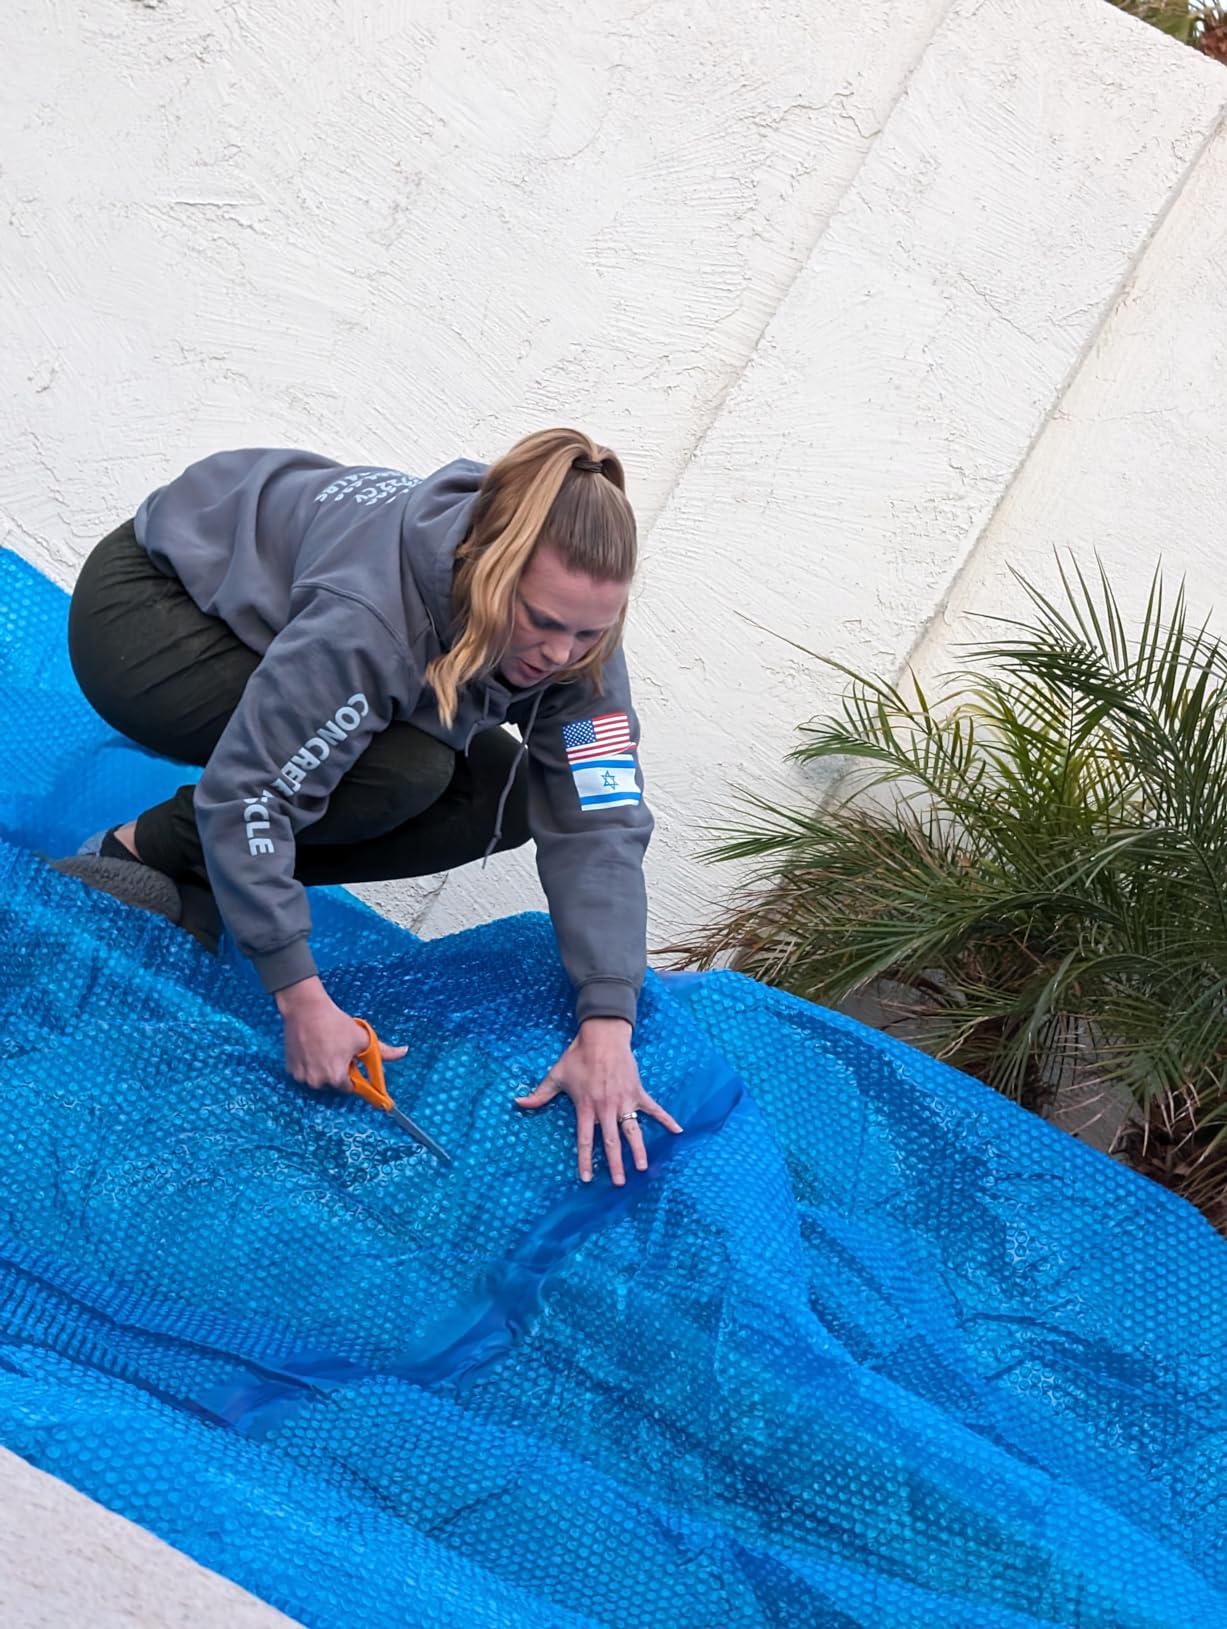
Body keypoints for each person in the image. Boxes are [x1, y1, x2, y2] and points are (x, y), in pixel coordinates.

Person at [55, 427, 682, 1184]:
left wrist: (607, 1022)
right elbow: (252, 791)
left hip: (299, 624)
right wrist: (301, 997)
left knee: (500, 794)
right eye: (541, 622)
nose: (559, 654)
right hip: (152, 611)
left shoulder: (575, 647)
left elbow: (598, 815)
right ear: (488, 570)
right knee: (405, 769)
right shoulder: (374, 618)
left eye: (586, 633)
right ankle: (137, 848)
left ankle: (200, 866)